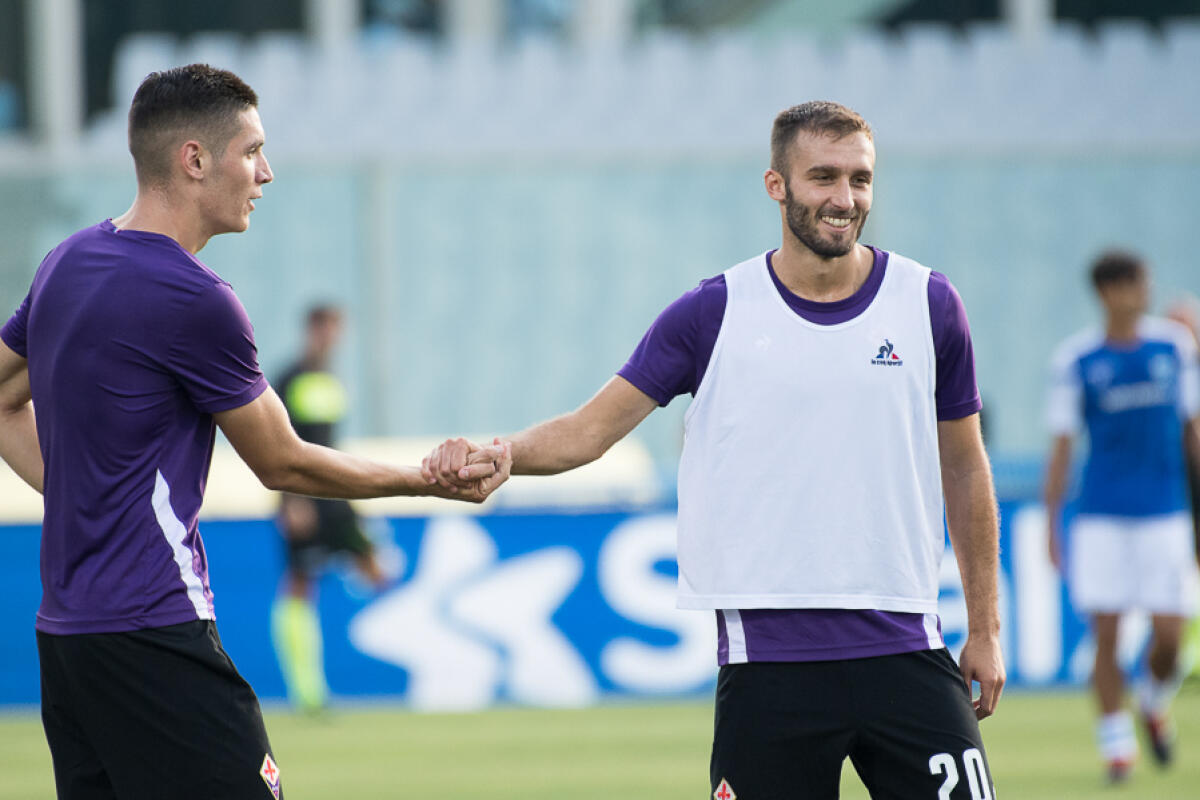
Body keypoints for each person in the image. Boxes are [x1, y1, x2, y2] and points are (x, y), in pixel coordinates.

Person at [424, 101, 1005, 800]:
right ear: (776, 185)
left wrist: (987, 627)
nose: (844, 199)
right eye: (822, 177)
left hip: (908, 647)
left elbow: (966, 468)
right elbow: (589, 432)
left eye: (860, 179)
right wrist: (501, 453)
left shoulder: (930, 303)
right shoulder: (714, 311)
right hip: (770, 670)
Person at [0, 64, 509, 800]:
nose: (266, 173)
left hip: (67, 641)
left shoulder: (65, 264)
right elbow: (282, 462)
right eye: (251, 151)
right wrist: (426, 478)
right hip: (154, 628)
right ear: (195, 160)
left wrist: (82, 489)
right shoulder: (196, 298)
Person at [1043, 251, 1200, 783]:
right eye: (1135, 283)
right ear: (1109, 291)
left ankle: (1153, 703)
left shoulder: (1175, 347)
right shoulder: (1077, 360)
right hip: (1102, 518)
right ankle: (1117, 750)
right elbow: (1062, 448)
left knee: (1170, 640)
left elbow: (1193, 433)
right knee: (1106, 636)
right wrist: (1050, 524)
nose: (1144, 291)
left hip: (1166, 515)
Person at [272, 304, 387, 714]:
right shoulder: (288, 379)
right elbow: (275, 444)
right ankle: (308, 693)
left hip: (336, 492)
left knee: (379, 571)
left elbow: (329, 441)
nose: (330, 337)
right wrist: (291, 501)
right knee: (300, 584)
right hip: (302, 495)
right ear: (311, 330)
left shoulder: (331, 380)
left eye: (336, 330)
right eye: (323, 329)